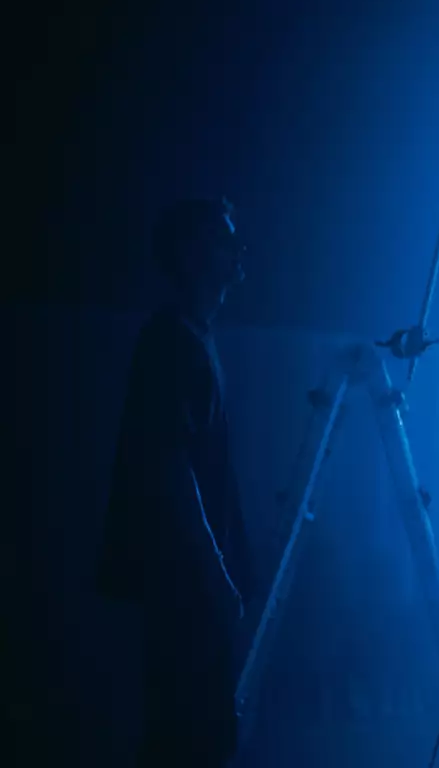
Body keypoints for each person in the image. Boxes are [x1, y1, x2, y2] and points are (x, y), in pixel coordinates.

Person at [95, 197, 254, 767]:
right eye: (221, 238)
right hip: (184, 585)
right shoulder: (173, 342)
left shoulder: (194, 339)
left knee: (197, 731)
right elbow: (172, 469)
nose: (237, 249)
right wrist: (216, 575)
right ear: (191, 253)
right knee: (188, 736)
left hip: (193, 582)